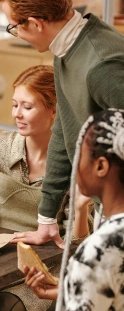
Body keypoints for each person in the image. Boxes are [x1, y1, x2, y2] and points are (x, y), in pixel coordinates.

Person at [0, 0, 124, 247]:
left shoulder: (102, 67)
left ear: (36, 24)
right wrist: (46, 218)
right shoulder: (65, 49)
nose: (15, 33)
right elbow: (64, 132)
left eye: (14, 26)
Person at [0, 65, 92, 311]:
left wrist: (82, 206)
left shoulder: (77, 161)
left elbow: (77, 247)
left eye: (28, 107)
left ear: (54, 110)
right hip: (0, 257)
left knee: (4, 306)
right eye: (15, 105)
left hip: (51, 265)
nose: (17, 114)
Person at [23, 109, 124, 311]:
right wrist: (71, 288)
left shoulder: (99, 249)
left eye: (78, 155)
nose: (73, 165)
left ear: (101, 166)